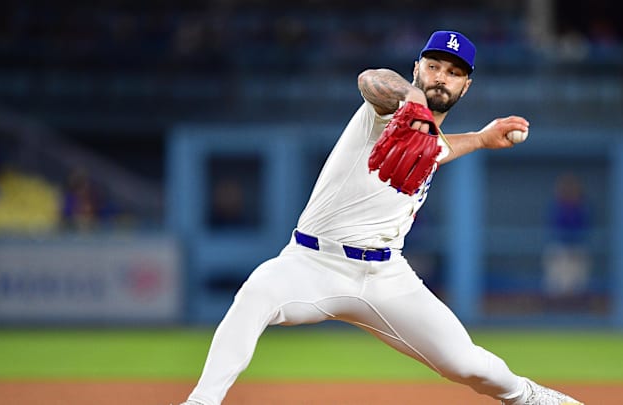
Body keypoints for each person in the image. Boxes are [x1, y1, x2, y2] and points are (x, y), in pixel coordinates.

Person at [179, 30, 583, 405]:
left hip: (387, 277)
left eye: (454, 73)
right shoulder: (389, 110)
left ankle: (528, 396)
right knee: (257, 293)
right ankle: (202, 401)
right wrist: (413, 98)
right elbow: (371, 78)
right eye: (434, 66)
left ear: (466, 86)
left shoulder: (425, 138)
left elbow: (435, 150)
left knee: (466, 364)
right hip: (313, 262)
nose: (441, 77)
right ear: (417, 69)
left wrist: (478, 139)